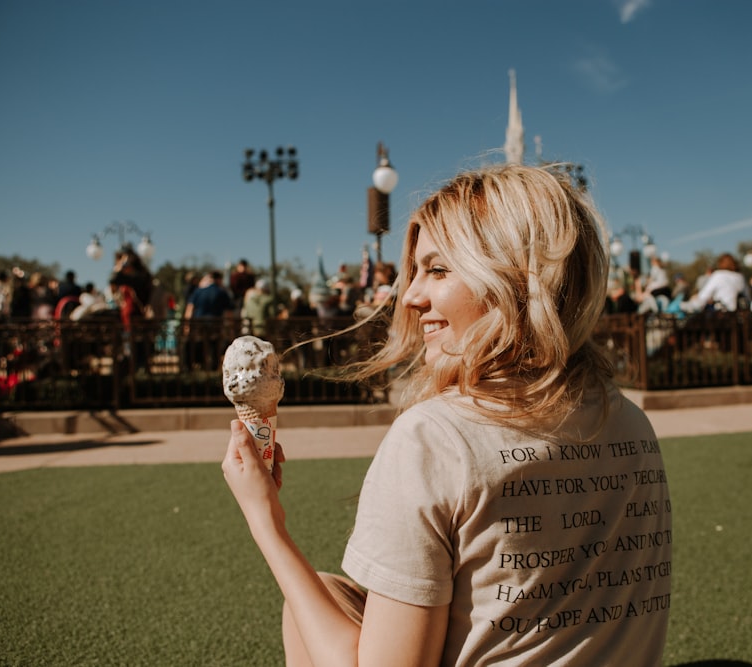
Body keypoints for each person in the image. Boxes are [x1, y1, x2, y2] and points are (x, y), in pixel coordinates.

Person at [222, 164, 672, 665]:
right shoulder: (632, 419)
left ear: (513, 278)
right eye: (414, 272)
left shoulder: (433, 437)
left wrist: (266, 521)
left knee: (303, 606)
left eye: (437, 270)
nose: (410, 297)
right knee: (328, 592)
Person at [682, 252, 750, 313]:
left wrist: (687, 305)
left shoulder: (718, 275)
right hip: (740, 315)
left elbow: (703, 296)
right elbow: (748, 297)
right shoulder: (740, 276)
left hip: (723, 316)